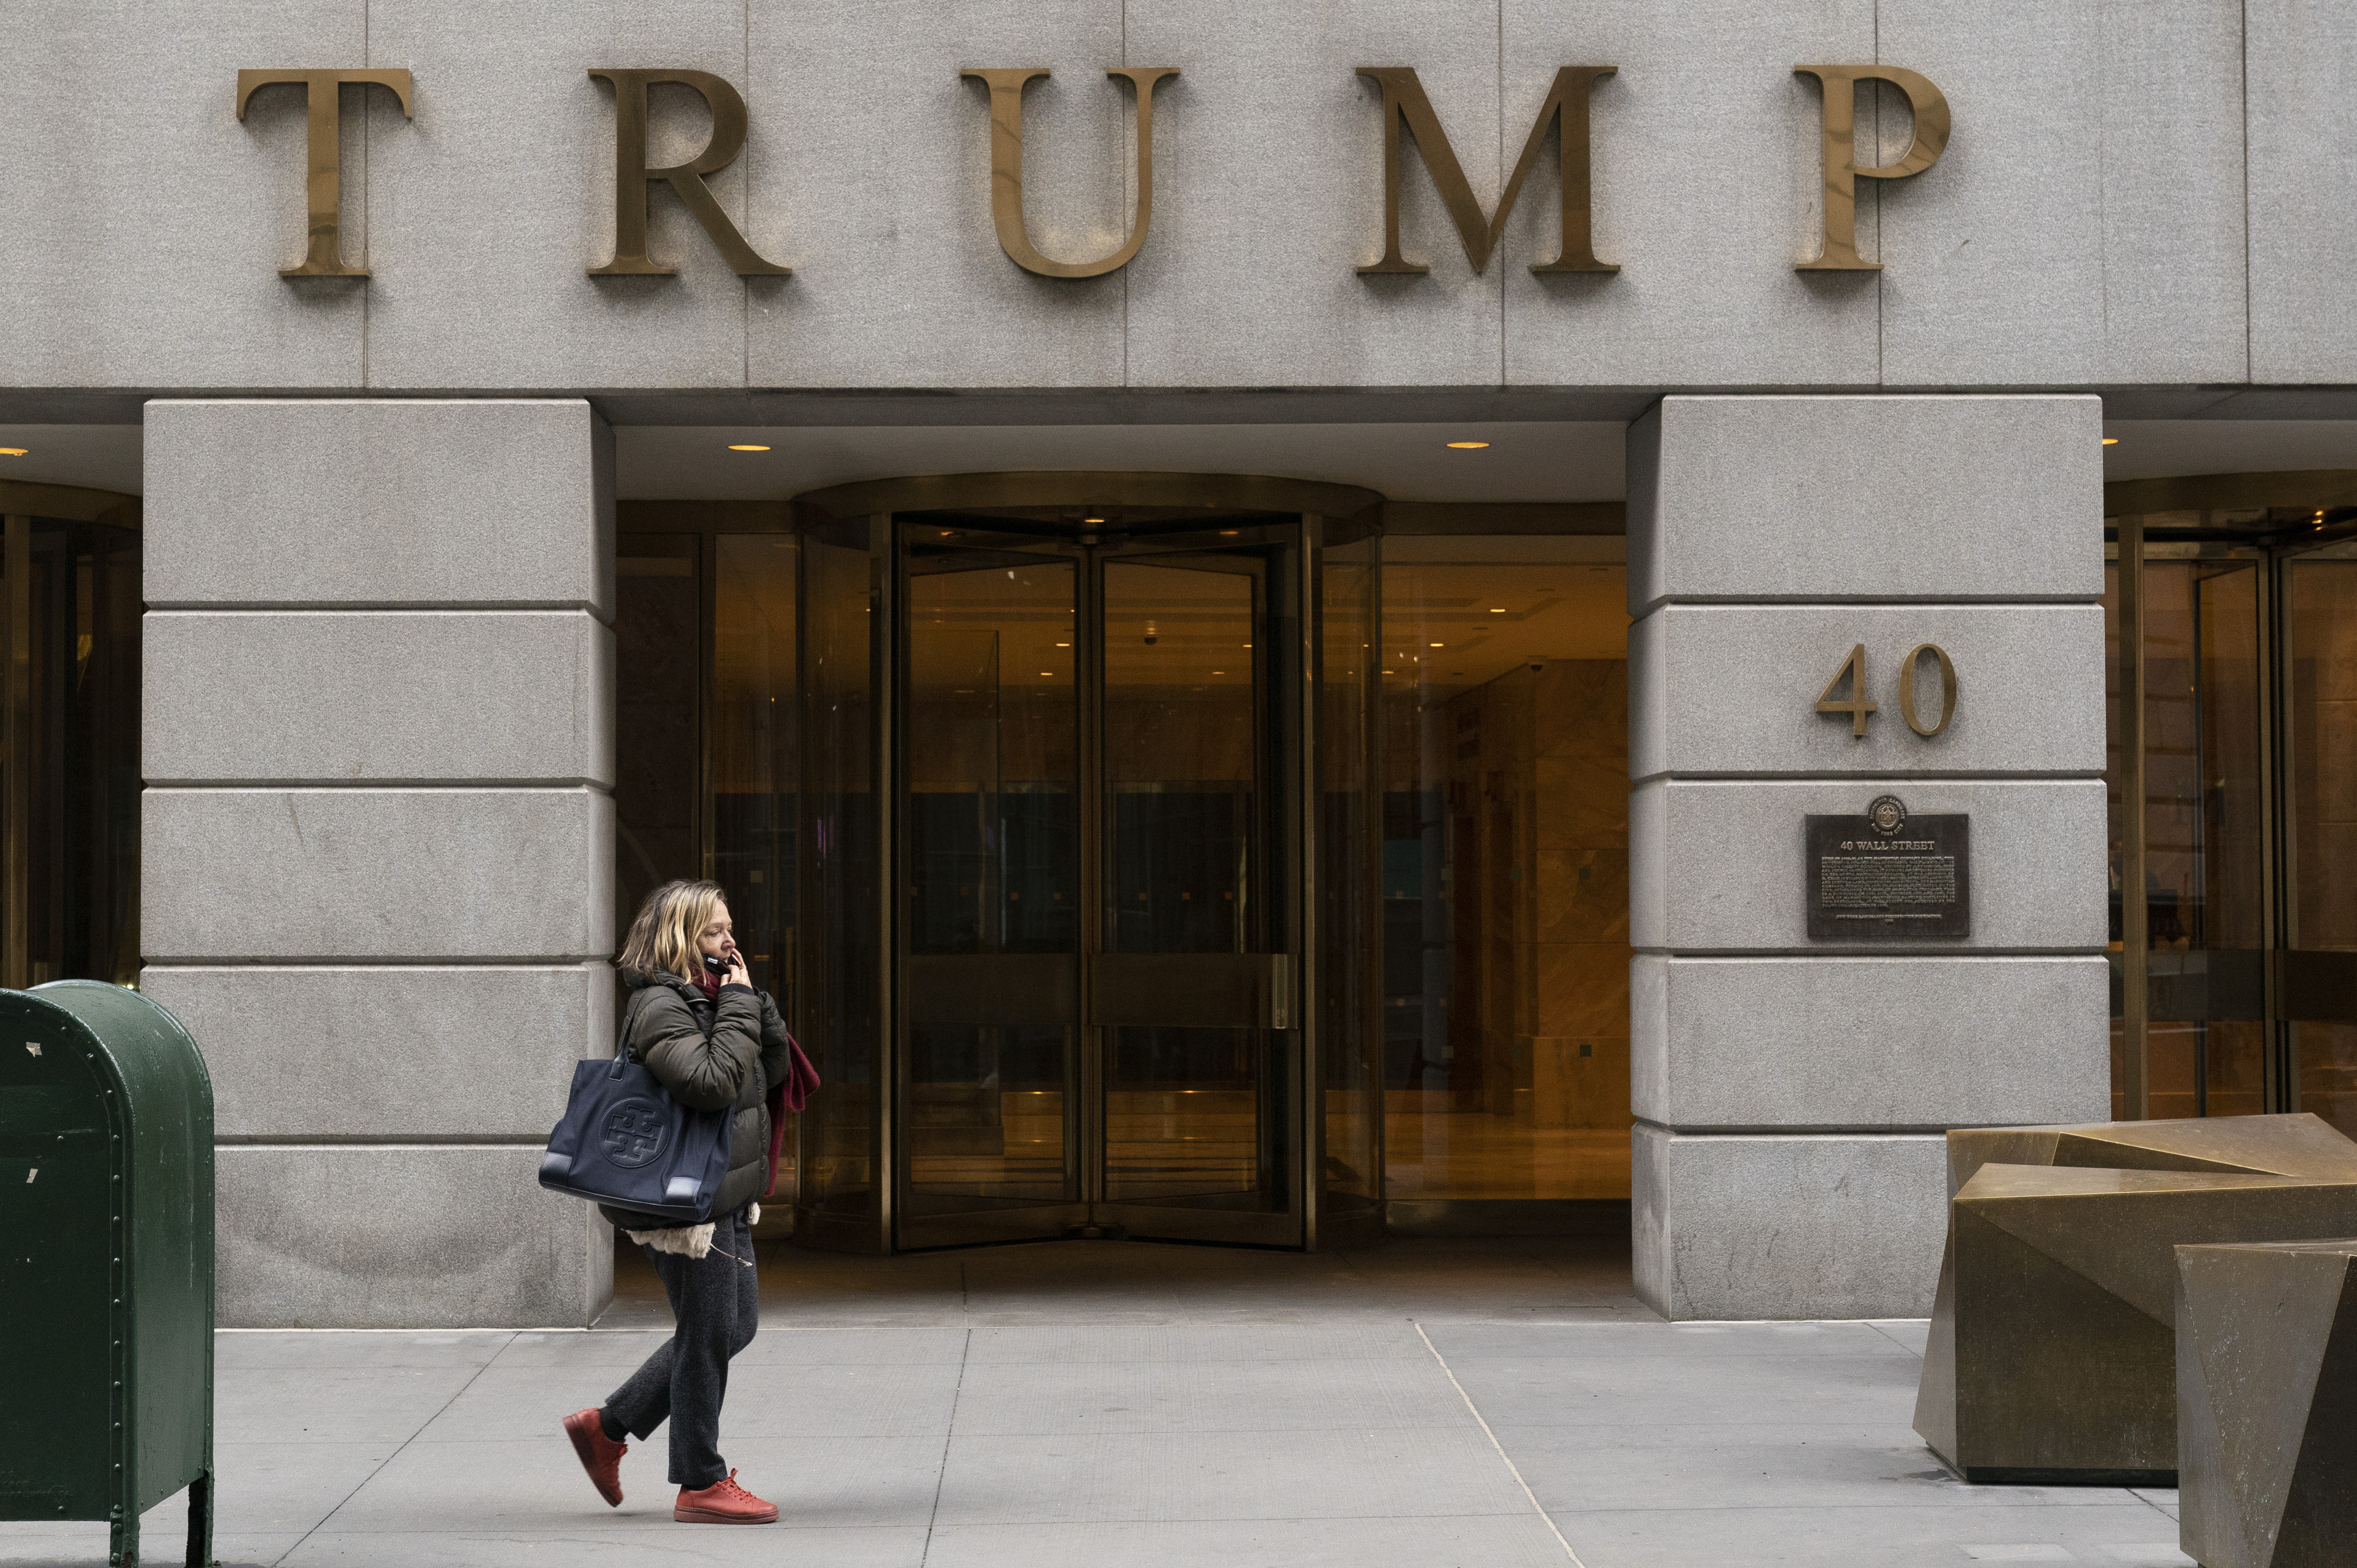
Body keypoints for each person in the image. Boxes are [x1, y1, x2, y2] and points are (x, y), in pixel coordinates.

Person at [560, 879, 795, 1524]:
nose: (730, 940)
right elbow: (712, 1083)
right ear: (681, 938)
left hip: (725, 1191)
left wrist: (753, 1005)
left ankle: (608, 1428)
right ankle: (700, 1482)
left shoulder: (716, 998)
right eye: (715, 931)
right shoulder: (662, 1005)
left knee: (731, 1327)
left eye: (729, 928)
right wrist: (740, 1008)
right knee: (710, 1331)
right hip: (688, 1205)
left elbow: (765, 1075)